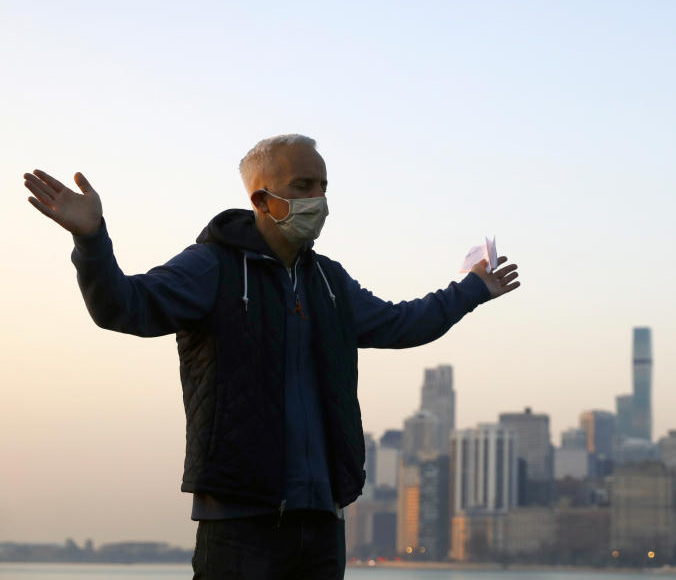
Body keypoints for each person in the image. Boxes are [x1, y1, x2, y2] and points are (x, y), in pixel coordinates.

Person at [22, 134, 520, 579]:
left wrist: (472, 288)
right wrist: (90, 240)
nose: (318, 199)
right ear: (262, 198)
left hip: (323, 521)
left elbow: (403, 323)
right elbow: (123, 308)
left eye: (323, 186)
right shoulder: (212, 267)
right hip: (241, 524)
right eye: (303, 185)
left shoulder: (328, 281)